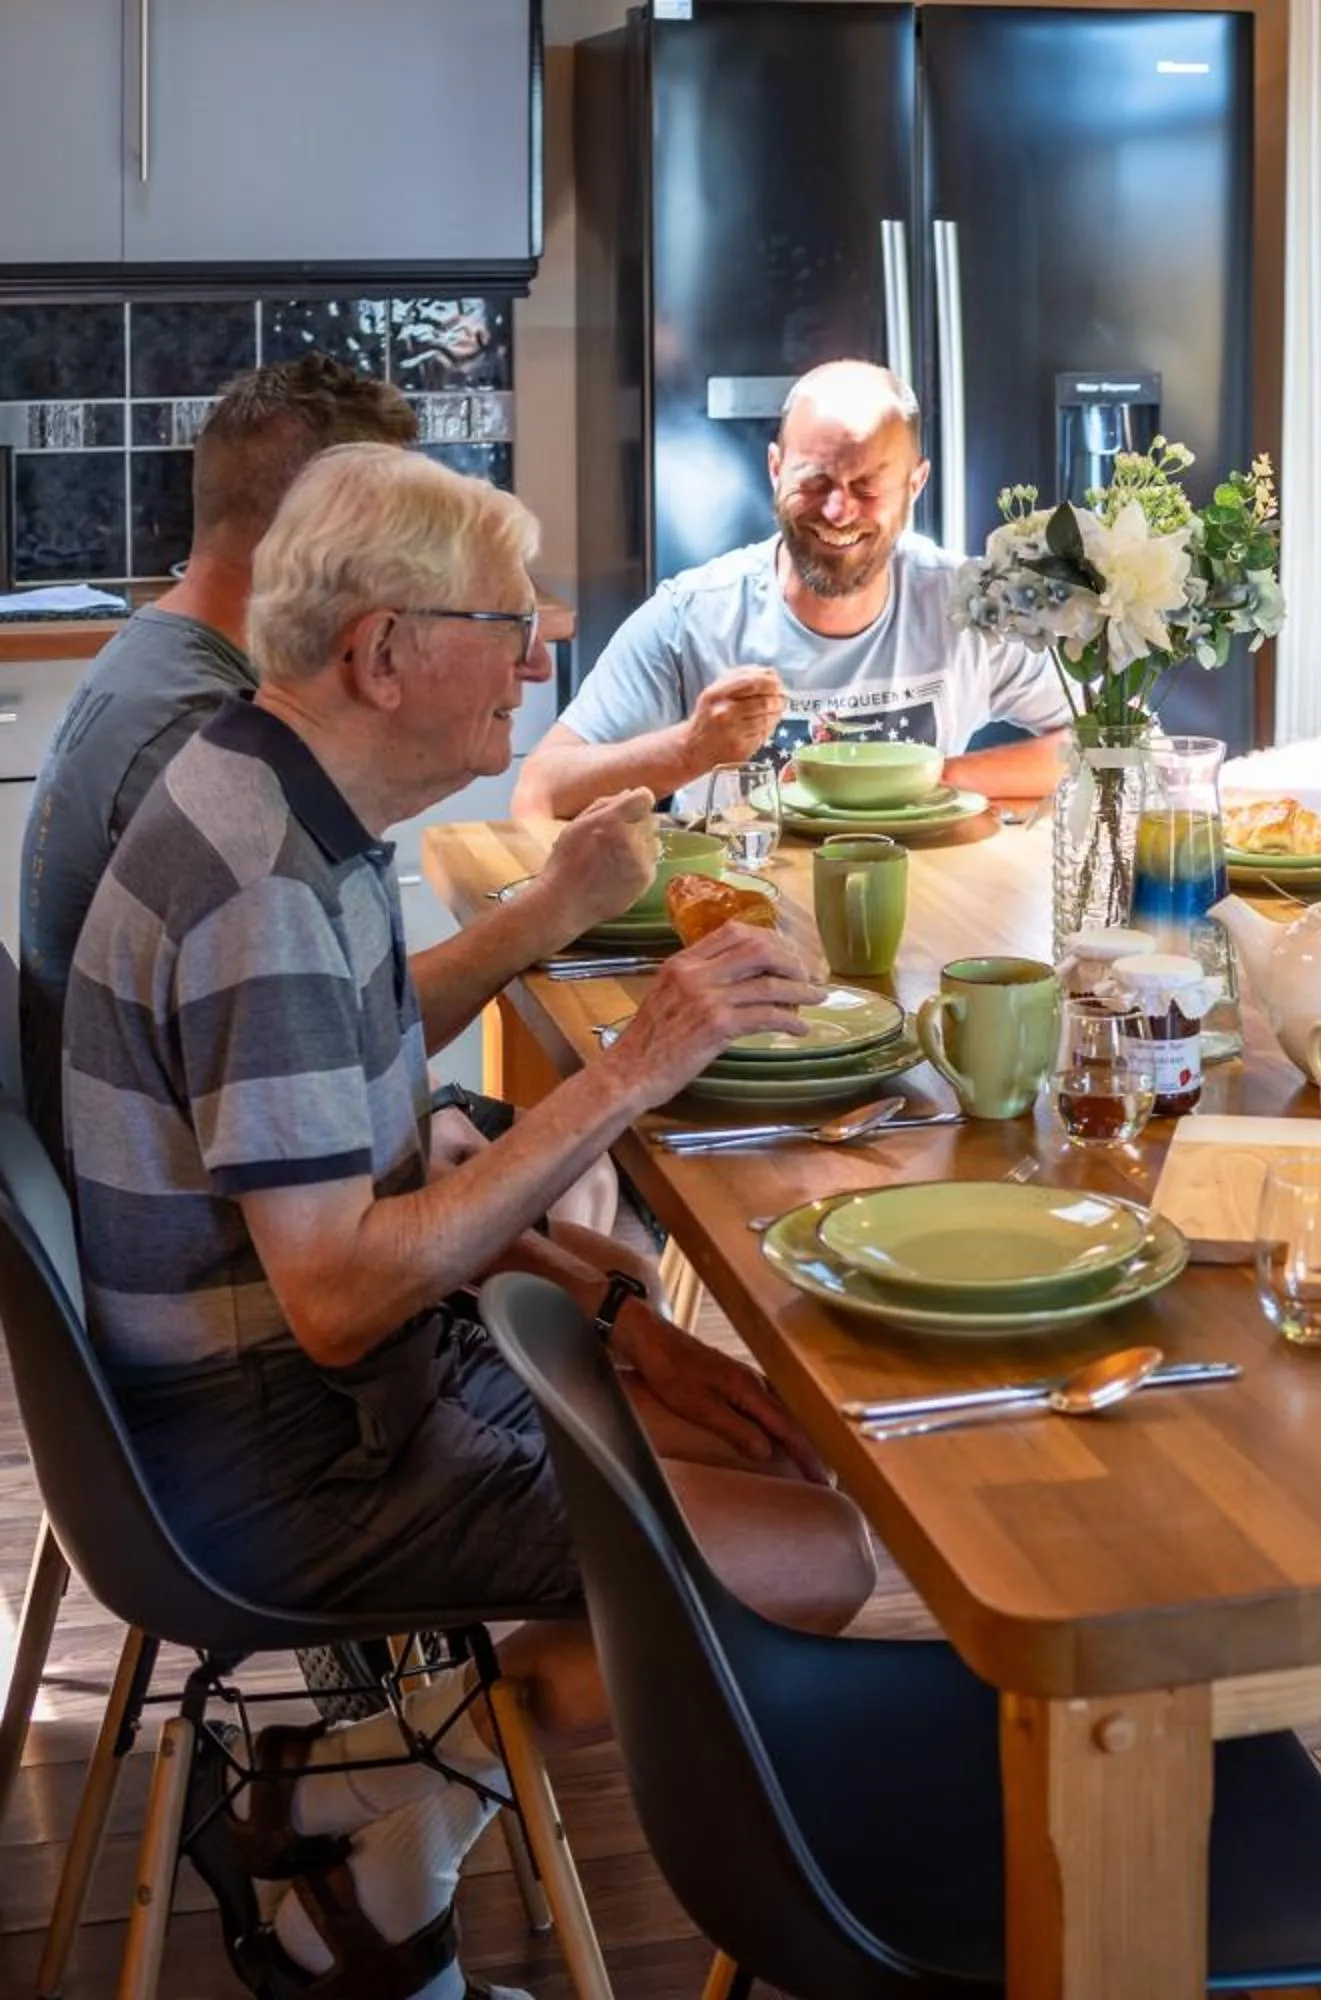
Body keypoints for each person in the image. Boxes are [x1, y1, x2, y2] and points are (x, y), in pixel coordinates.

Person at [62, 446, 875, 2000]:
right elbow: (345, 1299)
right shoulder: (259, 884)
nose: (546, 642)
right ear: (381, 651)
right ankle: (354, 1790)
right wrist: (643, 1062)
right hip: (282, 1450)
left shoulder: (270, 793)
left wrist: (618, 1312)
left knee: (771, 1437)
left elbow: (358, 1076)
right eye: (507, 618)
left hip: (305, 1397)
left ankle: (370, 1855)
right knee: (812, 1554)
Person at [16, 355, 631, 1249]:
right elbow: (289, 1054)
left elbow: (318, 1028)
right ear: (322, 530)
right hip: (208, 1233)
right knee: (609, 1214)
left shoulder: (182, 677)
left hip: (228, 1173)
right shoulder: (212, 756)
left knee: (591, 1212)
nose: (530, 662)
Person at [516, 359, 1069, 817]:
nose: (838, 509)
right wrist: (693, 749)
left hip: (923, 918)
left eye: (867, 485)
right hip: (739, 921)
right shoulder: (695, 616)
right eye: (816, 480)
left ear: (915, 484)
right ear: (776, 469)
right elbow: (538, 793)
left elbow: (1112, 746)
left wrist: (937, 775)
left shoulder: (968, 602)